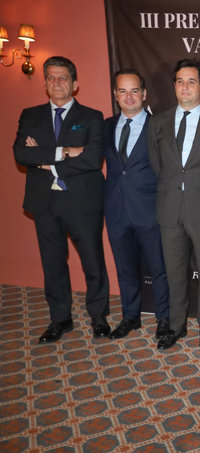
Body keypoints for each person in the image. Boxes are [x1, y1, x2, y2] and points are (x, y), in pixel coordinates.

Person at [13, 56, 110, 343]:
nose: (56, 83)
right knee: (52, 263)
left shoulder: (92, 117)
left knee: (93, 261)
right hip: (44, 202)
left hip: (82, 202)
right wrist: (64, 151)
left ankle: (99, 316)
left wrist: (44, 159)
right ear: (45, 83)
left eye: (63, 78)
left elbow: (92, 159)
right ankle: (60, 319)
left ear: (74, 84)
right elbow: (21, 154)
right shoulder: (30, 115)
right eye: (51, 78)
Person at [148, 58, 200, 350]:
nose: (185, 87)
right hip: (169, 209)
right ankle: (176, 326)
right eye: (180, 81)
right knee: (174, 272)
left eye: (192, 81)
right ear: (174, 86)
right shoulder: (157, 123)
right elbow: (157, 164)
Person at [103, 69, 170, 340]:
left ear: (144, 94)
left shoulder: (160, 126)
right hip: (117, 211)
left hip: (150, 211)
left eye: (134, 91)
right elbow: (89, 156)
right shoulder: (106, 126)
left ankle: (165, 319)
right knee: (125, 269)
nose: (128, 96)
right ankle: (130, 317)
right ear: (115, 95)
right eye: (122, 91)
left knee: (160, 269)